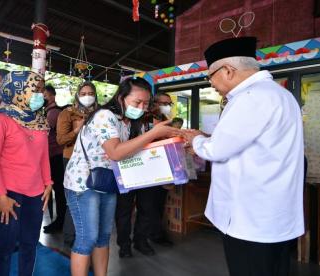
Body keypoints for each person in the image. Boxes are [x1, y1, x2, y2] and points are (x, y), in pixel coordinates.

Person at [183, 37, 304, 276]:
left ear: (227, 70)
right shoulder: (279, 95)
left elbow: (217, 149)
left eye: (210, 76)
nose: (210, 83)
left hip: (251, 219)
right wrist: (206, 137)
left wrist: (195, 139)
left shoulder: (250, 97)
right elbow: (249, 142)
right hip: (271, 215)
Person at [64, 77, 181, 276]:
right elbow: (116, 152)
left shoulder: (126, 122)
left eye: (145, 104)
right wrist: (153, 134)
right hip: (83, 184)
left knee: (103, 237)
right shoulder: (104, 116)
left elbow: (131, 152)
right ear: (121, 97)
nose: (142, 108)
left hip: (107, 183)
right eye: (137, 102)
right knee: (87, 238)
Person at [0, 71, 53, 276]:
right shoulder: (0, 119)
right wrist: (1, 196)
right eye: (35, 90)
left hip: (36, 193)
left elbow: (43, 157)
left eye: (41, 90)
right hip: (7, 193)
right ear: (18, 91)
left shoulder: (40, 121)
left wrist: (48, 183)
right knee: (5, 248)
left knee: (30, 245)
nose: (41, 95)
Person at [115, 92, 175, 259]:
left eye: (168, 104)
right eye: (162, 103)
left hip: (150, 172)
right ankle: (124, 245)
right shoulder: (132, 117)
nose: (165, 107)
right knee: (124, 210)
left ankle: (141, 241)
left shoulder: (165, 121)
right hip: (128, 168)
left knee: (147, 209)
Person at [56, 81, 98, 245]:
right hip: (72, 159)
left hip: (94, 160)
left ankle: (87, 233)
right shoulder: (67, 113)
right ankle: (70, 236)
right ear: (77, 95)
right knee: (75, 197)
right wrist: (76, 129)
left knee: (92, 197)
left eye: (90, 93)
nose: (87, 97)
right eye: (83, 93)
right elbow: (60, 140)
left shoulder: (100, 113)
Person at [42, 85, 66, 234]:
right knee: (57, 190)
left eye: (44, 95)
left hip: (56, 156)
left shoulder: (53, 113)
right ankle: (58, 220)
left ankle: (60, 221)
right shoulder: (46, 112)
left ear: (52, 96)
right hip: (51, 156)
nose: (41, 98)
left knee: (59, 191)